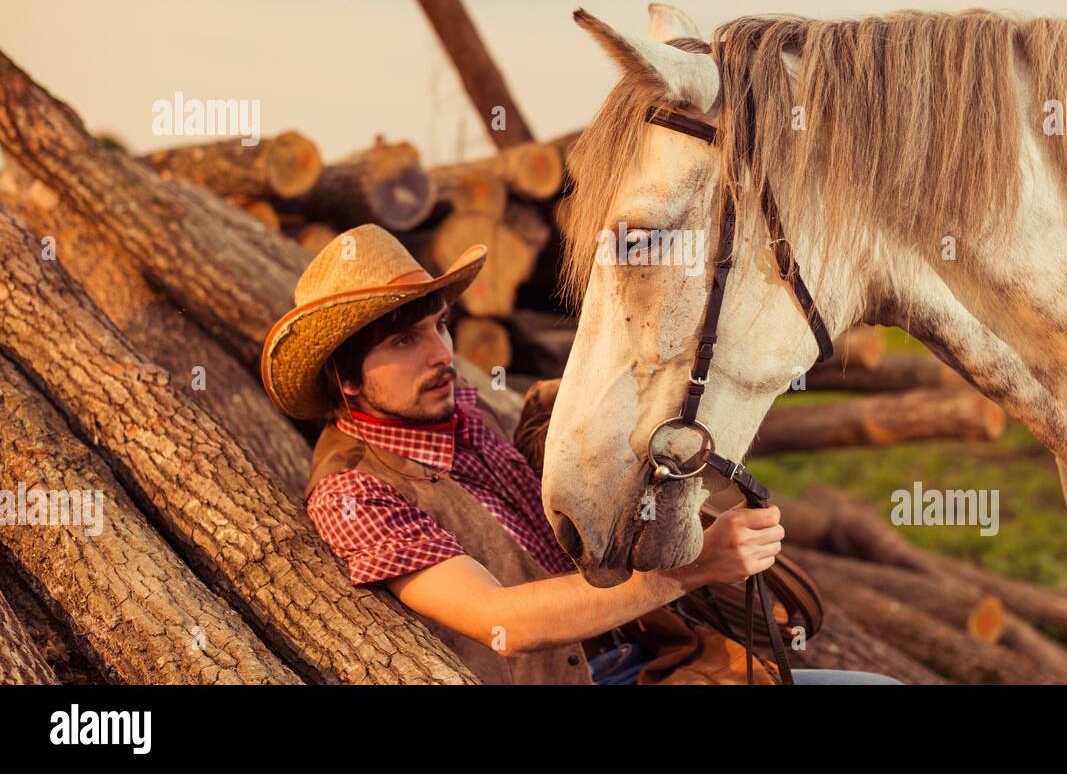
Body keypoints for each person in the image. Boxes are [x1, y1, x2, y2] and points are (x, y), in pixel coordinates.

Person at [261, 223, 900, 685]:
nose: (440, 355)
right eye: (404, 340)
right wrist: (692, 567)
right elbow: (496, 618)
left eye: (440, 326)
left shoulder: (462, 418)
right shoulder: (353, 493)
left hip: (654, 659)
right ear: (346, 380)